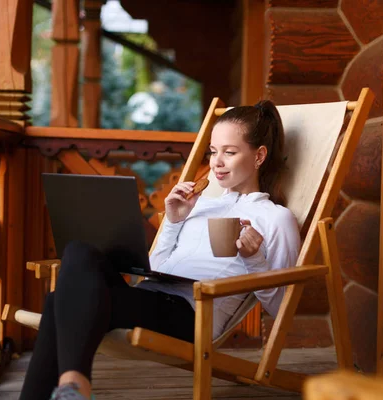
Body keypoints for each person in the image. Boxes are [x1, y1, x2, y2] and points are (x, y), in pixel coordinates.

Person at [19, 101, 301, 400]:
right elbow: (154, 266)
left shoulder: (275, 218)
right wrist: (174, 221)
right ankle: (73, 388)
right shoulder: (199, 202)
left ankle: (73, 388)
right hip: (150, 296)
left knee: (57, 302)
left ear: (259, 156)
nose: (217, 162)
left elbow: (282, 307)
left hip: (191, 314)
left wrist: (253, 258)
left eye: (229, 152)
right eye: (213, 151)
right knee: (78, 250)